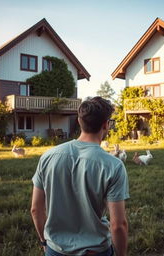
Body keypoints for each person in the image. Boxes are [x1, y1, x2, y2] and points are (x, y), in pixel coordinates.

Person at [31, 96, 129, 256]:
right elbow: (118, 225)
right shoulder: (113, 166)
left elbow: (36, 209)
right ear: (106, 125)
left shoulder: (48, 156)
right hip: (95, 250)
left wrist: (44, 241)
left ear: (78, 121)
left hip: (55, 250)